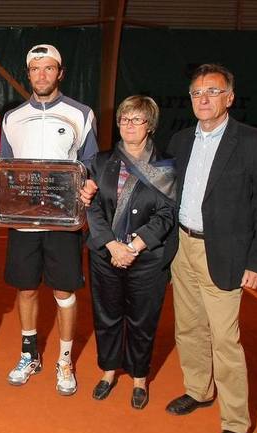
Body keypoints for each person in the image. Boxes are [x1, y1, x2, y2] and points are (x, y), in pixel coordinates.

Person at [164, 64, 257, 433]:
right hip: (183, 248)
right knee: (189, 329)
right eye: (197, 92)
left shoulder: (255, 142)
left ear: (229, 98)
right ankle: (198, 389)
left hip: (226, 253)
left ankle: (235, 423)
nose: (203, 99)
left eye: (212, 92)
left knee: (225, 341)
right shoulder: (180, 140)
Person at [0, 44, 98, 394]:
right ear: (28, 73)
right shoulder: (12, 117)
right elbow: (4, 169)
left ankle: (64, 360)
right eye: (36, 69)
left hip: (63, 223)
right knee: (26, 289)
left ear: (60, 73)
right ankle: (29, 355)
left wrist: (89, 187)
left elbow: (91, 163)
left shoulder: (80, 114)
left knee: (64, 291)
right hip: (23, 223)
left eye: (49, 69)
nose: (42, 75)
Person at [86, 96, 176, 409]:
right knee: (107, 316)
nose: (129, 125)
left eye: (137, 119)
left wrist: (134, 247)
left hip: (147, 258)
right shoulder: (101, 161)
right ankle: (109, 372)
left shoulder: (166, 166)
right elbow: (92, 208)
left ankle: (139, 378)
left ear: (150, 125)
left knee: (142, 320)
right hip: (105, 255)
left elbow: (166, 214)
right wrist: (112, 245)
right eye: (124, 119)